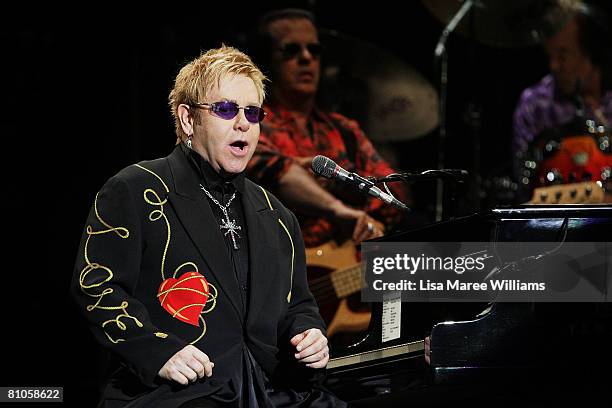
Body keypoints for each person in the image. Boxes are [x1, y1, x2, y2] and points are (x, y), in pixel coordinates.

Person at [72, 45, 345, 407]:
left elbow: (298, 305)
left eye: (252, 112)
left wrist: (308, 333)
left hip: (272, 388)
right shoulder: (137, 188)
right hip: (182, 392)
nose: (242, 123)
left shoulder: (278, 215)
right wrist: (159, 352)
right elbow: (96, 285)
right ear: (187, 119)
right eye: (226, 109)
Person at [247, 9, 409, 249]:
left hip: (347, 270)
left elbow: (394, 193)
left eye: (314, 50)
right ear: (267, 60)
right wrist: (339, 208)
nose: (306, 58)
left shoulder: (345, 129)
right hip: (281, 270)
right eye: (292, 50)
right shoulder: (250, 122)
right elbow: (277, 173)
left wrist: (338, 182)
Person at [512, 0, 612, 183]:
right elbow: (522, 182)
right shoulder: (535, 104)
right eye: (550, 55)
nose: (553, 65)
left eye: (563, 55)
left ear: (592, 51)